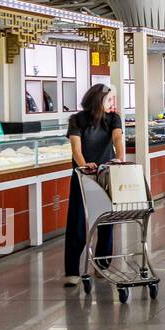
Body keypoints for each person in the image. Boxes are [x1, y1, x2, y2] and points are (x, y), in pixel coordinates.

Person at [63, 84, 125, 286]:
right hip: (82, 177)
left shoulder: (113, 118)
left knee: (107, 219)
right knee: (77, 222)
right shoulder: (77, 120)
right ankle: (72, 270)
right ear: (99, 100)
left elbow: (117, 137)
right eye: (109, 100)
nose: (112, 103)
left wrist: (120, 158)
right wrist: (83, 166)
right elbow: (76, 147)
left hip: (106, 174)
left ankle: (103, 263)